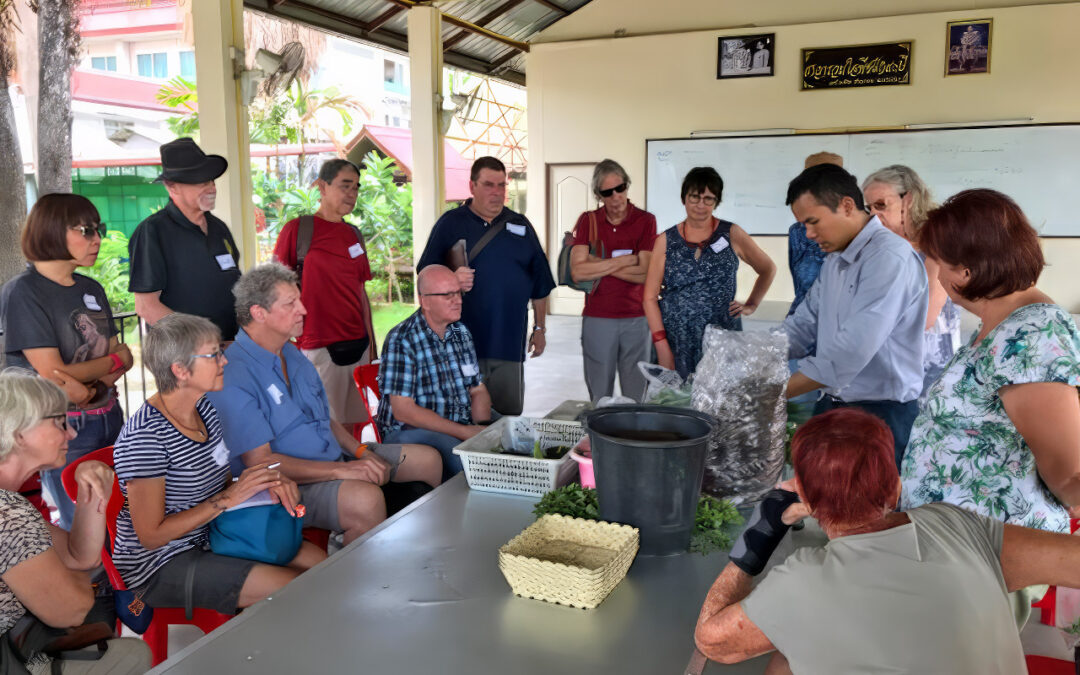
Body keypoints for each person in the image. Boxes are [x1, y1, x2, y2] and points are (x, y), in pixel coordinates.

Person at [693, 407, 1080, 673]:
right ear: (894, 487)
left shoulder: (801, 584)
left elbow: (711, 642)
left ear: (807, 499)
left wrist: (761, 531)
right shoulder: (959, 524)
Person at [207, 263, 442, 545]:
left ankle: (424, 551)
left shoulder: (292, 354)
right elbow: (262, 464)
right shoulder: (234, 373)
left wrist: (361, 451)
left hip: (332, 460)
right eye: (291, 303)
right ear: (259, 313)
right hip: (287, 485)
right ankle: (359, 581)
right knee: (365, 500)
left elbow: (325, 421)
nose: (303, 310)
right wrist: (341, 470)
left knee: (428, 460)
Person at [112, 313, 321, 620]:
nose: (224, 361)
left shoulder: (204, 409)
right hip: (160, 562)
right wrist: (228, 499)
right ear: (180, 370)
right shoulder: (145, 437)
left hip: (211, 532)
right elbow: (151, 536)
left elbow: (223, 483)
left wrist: (264, 481)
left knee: (320, 564)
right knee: (293, 587)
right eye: (213, 355)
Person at [901, 189, 1080, 534]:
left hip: (991, 549)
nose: (935, 275)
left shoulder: (1031, 335)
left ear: (964, 274)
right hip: (959, 540)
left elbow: (1068, 473)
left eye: (937, 262)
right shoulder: (1002, 324)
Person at [0, 370, 150, 672]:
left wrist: (91, 494)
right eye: (59, 422)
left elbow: (78, 555)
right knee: (132, 655)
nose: (71, 433)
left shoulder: (10, 503)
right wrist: (78, 581)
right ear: (18, 434)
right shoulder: (9, 513)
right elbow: (72, 610)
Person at [0, 193, 133, 529]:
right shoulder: (24, 292)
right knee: (83, 524)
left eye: (97, 230)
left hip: (108, 414)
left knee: (120, 515)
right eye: (85, 230)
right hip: (62, 427)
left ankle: (119, 582)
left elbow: (125, 355)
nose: (97, 239)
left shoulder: (91, 287)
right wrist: (109, 365)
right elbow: (53, 375)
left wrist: (92, 385)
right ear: (53, 232)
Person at [782, 163, 927, 469]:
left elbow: (850, 351)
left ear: (847, 206)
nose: (808, 235)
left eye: (813, 222)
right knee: (815, 498)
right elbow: (804, 324)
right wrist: (750, 355)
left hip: (883, 413)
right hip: (835, 401)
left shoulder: (889, 257)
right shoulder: (835, 260)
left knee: (874, 512)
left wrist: (775, 393)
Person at [417, 156, 556, 416]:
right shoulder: (450, 223)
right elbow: (424, 275)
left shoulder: (521, 225)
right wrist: (451, 279)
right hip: (459, 343)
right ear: (472, 186)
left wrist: (539, 328)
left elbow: (540, 284)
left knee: (507, 418)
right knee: (462, 416)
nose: (497, 192)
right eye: (489, 185)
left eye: (502, 185)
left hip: (508, 343)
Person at [273, 159, 377, 431]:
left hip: (358, 344)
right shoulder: (298, 230)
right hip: (317, 345)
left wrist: (372, 345)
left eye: (356, 187)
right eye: (345, 186)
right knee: (323, 424)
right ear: (322, 186)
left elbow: (360, 292)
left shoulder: (353, 234)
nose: (352, 194)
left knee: (356, 425)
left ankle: (358, 470)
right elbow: (274, 289)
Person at [643, 166, 776, 379]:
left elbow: (767, 269)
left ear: (716, 201)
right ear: (684, 198)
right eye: (694, 197)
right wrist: (661, 345)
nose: (701, 205)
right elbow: (649, 297)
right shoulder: (665, 241)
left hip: (722, 337)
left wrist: (751, 304)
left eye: (709, 199)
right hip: (677, 338)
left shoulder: (732, 233)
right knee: (674, 404)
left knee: (720, 403)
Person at [377, 265, 492, 480]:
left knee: (515, 436)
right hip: (408, 430)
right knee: (467, 463)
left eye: (458, 293)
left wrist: (482, 428)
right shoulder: (402, 339)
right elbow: (404, 412)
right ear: (425, 301)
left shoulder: (461, 332)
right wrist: (465, 433)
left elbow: (477, 390)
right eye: (448, 295)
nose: (457, 300)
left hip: (458, 421)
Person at [128, 137, 242, 340]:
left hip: (231, 349)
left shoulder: (219, 229)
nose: (212, 188)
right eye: (200, 181)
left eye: (211, 180)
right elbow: (146, 306)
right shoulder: (153, 232)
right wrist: (198, 341)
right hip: (184, 355)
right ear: (172, 187)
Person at [863, 165, 961, 398]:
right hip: (888, 362)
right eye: (869, 208)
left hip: (927, 362)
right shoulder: (879, 244)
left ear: (910, 201)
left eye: (881, 205)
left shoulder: (937, 241)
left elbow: (923, 317)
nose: (873, 215)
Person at [568, 159, 656, 402]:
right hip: (598, 317)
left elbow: (646, 272)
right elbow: (577, 272)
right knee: (600, 394)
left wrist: (597, 263)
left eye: (621, 188)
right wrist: (628, 260)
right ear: (599, 194)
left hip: (636, 316)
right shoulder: (588, 221)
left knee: (636, 392)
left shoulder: (646, 220)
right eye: (608, 192)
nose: (616, 196)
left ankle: (634, 437)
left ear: (627, 186)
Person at [785, 152, 841, 318]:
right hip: (803, 317)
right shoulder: (797, 231)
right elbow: (799, 283)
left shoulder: (856, 227)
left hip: (839, 320)